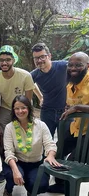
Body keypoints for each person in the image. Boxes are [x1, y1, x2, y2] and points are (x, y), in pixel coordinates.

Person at [0, 45, 35, 183]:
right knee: (3, 142)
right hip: (5, 109)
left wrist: (30, 118)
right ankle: (5, 170)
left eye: (8, 60)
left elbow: (28, 100)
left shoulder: (25, 75)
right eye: (2, 60)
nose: (4, 63)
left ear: (13, 60)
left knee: (23, 139)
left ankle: (25, 170)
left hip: (22, 108)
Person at [48, 52, 89, 193]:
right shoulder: (71, 82)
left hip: (87, 133)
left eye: (78, 65)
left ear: (87, 66)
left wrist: (77, 108)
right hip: (75, 127)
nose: (73, 68)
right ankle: (60, 184)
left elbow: (77, 105)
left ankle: (70, 188)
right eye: (70, 65)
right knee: (56, 153)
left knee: (73, 163)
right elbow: (71, 102)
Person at [3, 95, 59, 196]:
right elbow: (8, 151)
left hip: (36, 163)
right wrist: (16, 171)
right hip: (17, 162)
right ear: (13, 110)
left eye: (23, 107)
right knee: (11, 175)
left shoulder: (41, 125)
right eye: (17, 108)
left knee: (41, 184)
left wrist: (50, 155)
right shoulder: (9, 127)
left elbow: (50, 144)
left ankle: (31, 190)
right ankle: (8, 189)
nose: (20, 111)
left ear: (29, 108)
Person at [30, 43, 67, 137]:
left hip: (65, 111)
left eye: (42, 57)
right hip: (47, 111)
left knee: (65, 142)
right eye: (36, 58)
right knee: (45, 141)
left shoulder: (63, 66)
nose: (39, 60)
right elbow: (30, 84)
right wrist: (40, 97)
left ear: (49, 56)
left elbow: (81, 68)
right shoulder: (34, 74)